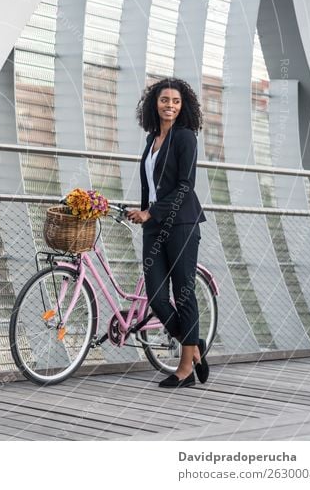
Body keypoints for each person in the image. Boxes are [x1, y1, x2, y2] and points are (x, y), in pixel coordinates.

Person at [126, 77, 209, 388]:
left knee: (183, 293)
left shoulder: (186, 138)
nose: (170, 105)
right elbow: (153, 185)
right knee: (158, 299)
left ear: (182, 105)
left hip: (182, 225)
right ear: (154, 103)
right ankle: (194, 344)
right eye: (164, 100)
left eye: (175, 101)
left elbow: (185, 186)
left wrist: (151, 211)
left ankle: (185, 368)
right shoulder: (152, 140)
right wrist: (144, 211)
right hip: (154, 226)